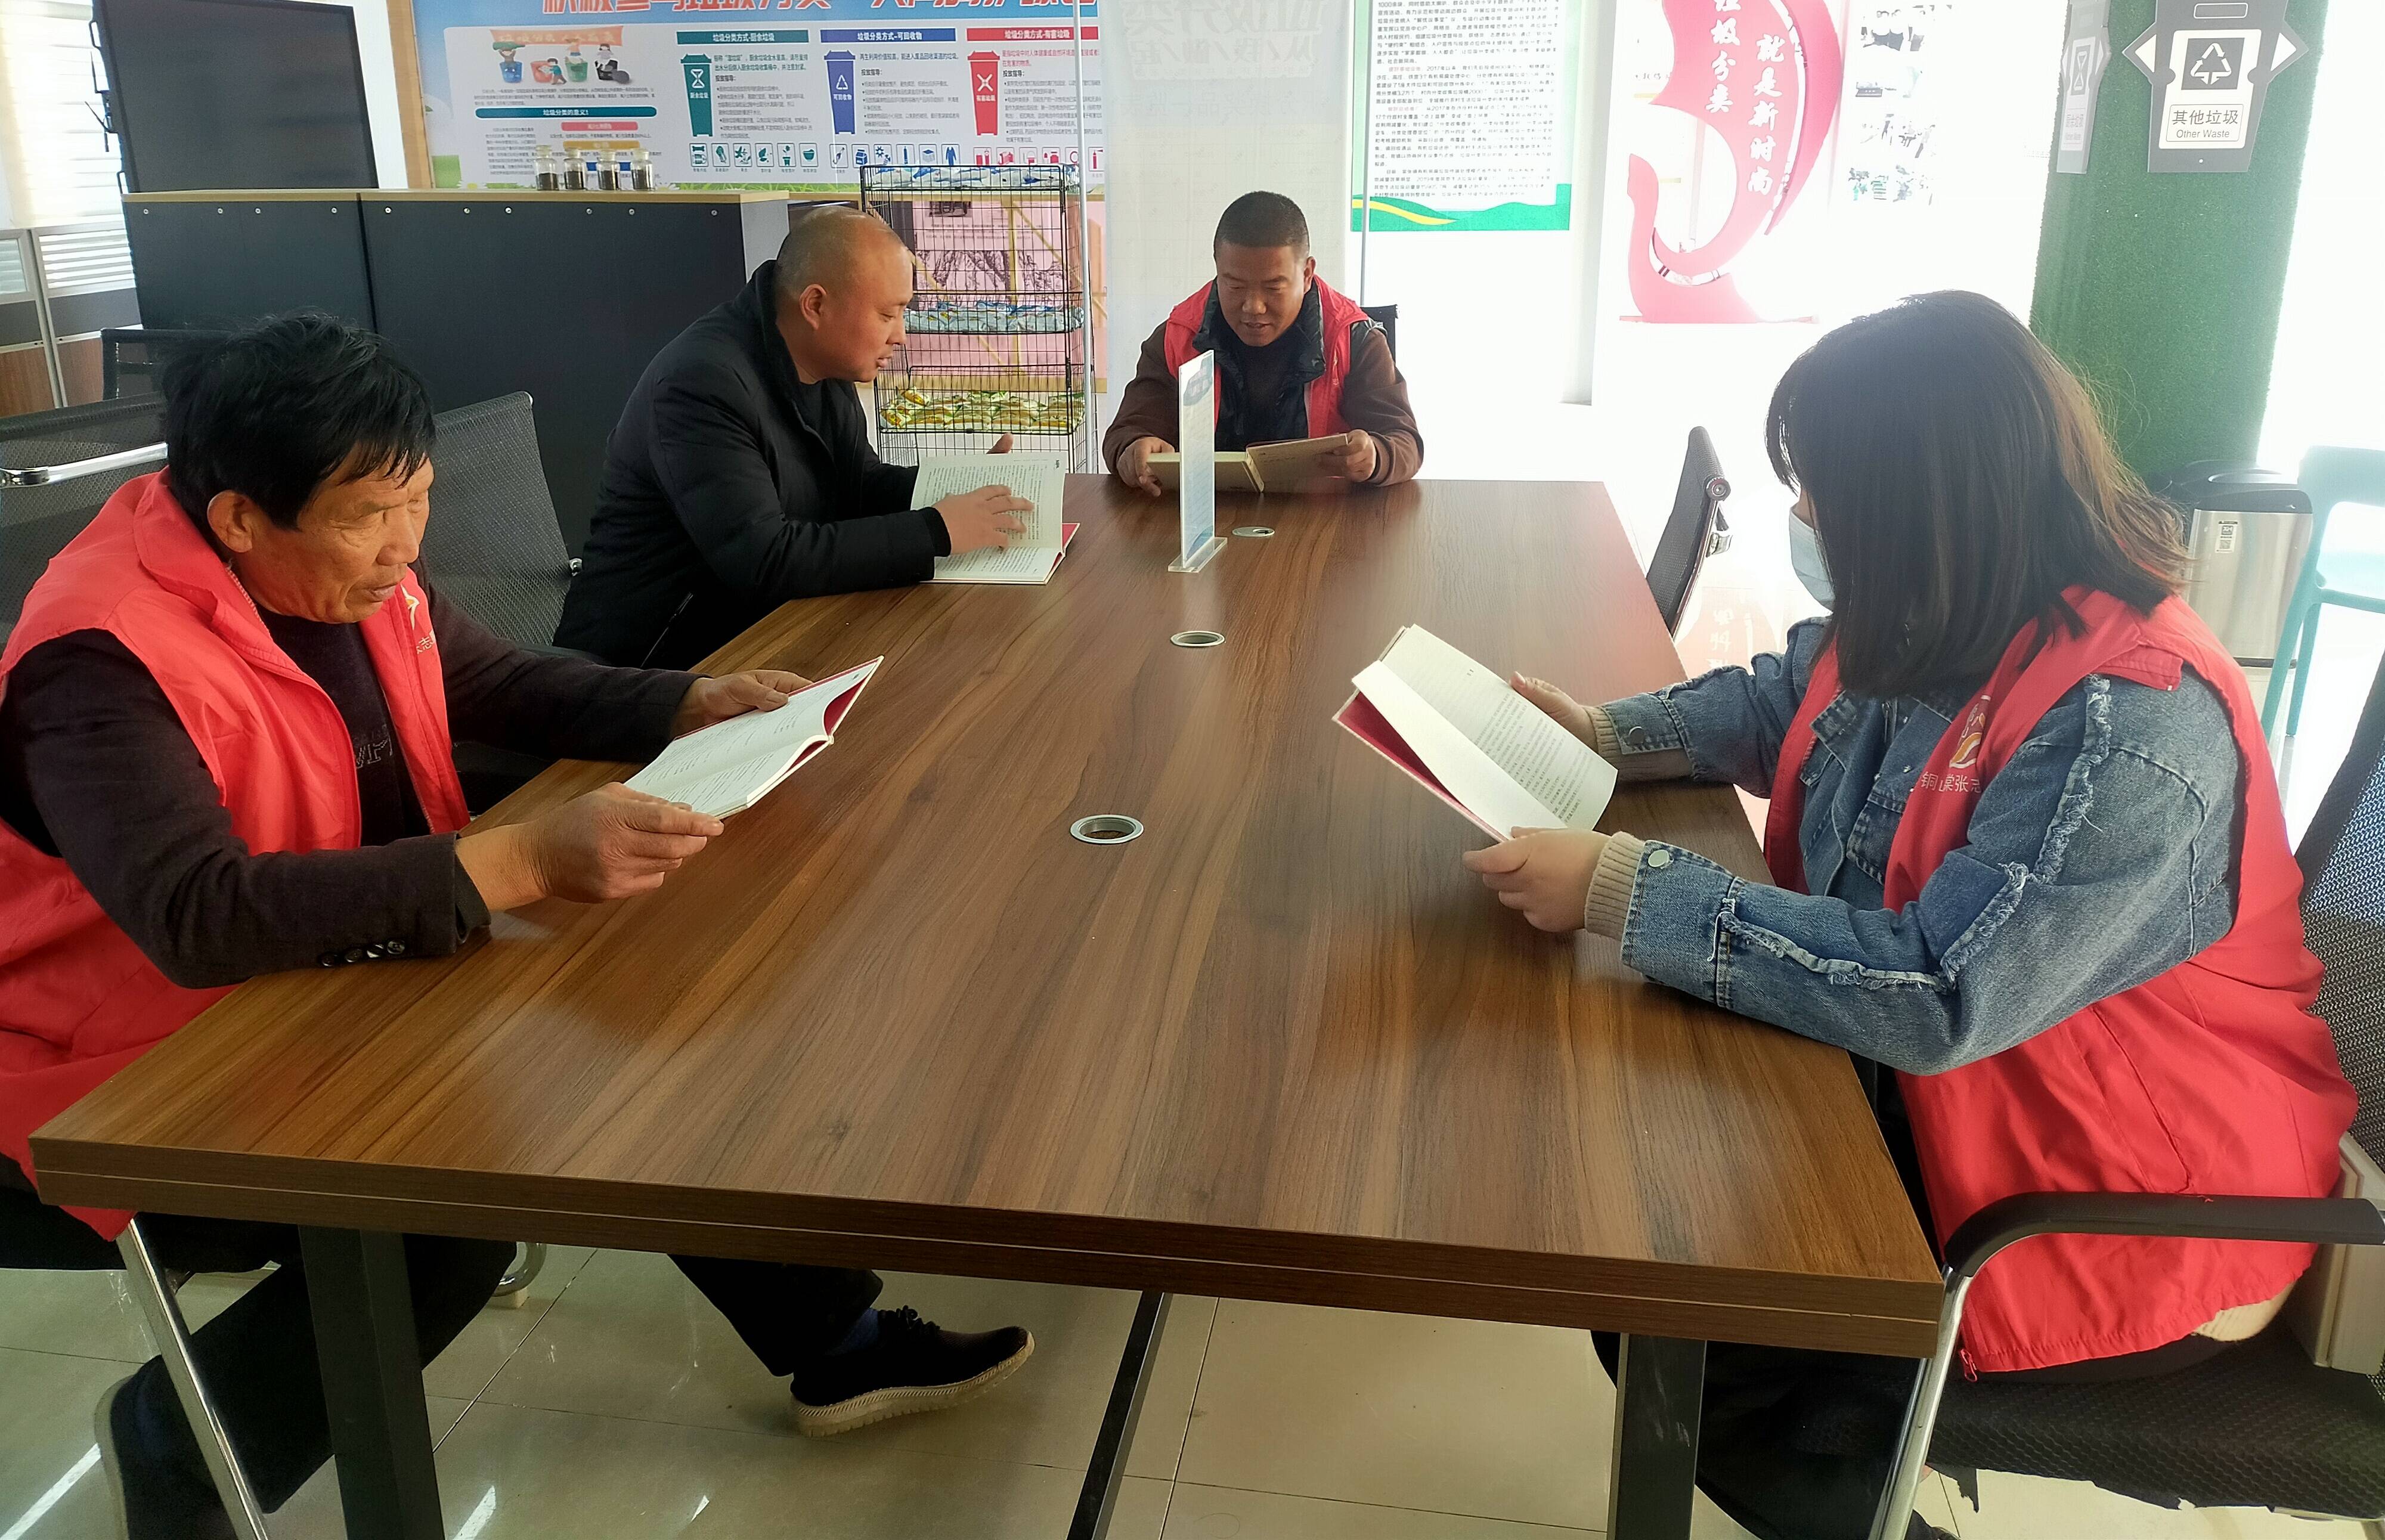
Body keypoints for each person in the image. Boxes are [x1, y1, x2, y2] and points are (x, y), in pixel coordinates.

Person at [0, 318, 1033, 1540]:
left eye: (420, 500)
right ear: (237, 519)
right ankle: (183, 1442)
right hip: (135, 1059)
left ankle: (836, 1342)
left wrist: (684, 703)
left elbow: (485, 678)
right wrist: (522, 858)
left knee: (638, 1024)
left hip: (339, 964)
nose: (407, 545)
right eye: (371, 517)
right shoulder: (98, 661)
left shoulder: (340, 566)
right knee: (447, 1216)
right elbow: (198, 917)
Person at [1460, 293, 2356, 1540]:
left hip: (2112, 1203)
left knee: (1702, 1333)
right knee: (1652, 1230)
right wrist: (1605, 736)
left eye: (1822, 491)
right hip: (1955, 1118)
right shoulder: (1943, 604)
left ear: (1922, 504)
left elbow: (1942, 993)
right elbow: (1786, 698)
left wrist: (1623, 889)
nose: (1804, 518)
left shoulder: (2129, 723)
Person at [557, 206, 1033, 668]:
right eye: (888, 315)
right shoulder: (700, 384)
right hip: (651, 669)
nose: (901, 336)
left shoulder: (822, 360)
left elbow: (858, 484)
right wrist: (936, 530)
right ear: (816, 305)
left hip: (765, 632)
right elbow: (765, 561)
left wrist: (964, 487)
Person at [1104, 191, 1423, 495]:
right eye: (1235, 286)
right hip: (1206, 517)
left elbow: (1404, 441)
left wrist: (1376, 456)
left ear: (1307, 274)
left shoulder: (1351, 338)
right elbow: (1126, 433)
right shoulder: (1180, 336)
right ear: (1218, 269)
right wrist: (1134, 450)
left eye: (1273, 288)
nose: (1253, 307)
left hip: (1322, 518)